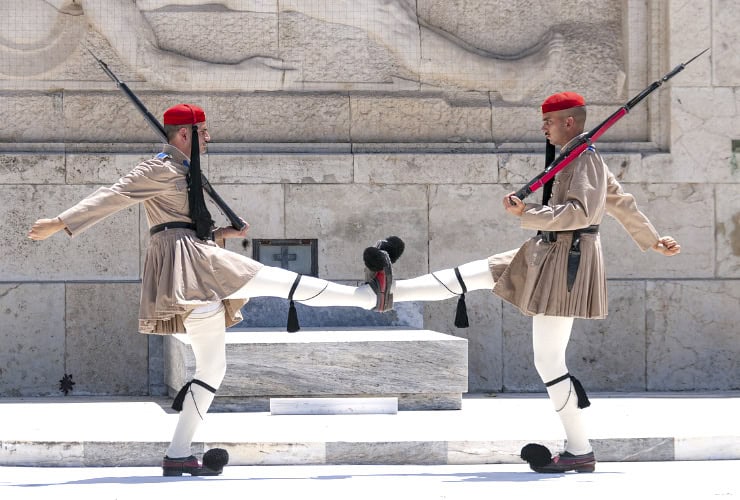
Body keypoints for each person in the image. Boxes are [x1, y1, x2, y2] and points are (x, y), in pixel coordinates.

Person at [27, 103, 397, 476]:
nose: (209, 137)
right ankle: (367, 297)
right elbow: (115, 194)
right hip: (189, 261)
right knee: (273, 278)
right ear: (184, 134)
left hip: (192, 259)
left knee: (213, 368)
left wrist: (221, 234)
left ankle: (178, 454)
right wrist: (61, 222)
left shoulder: (183, 169)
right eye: (202, 131)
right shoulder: (158, 166)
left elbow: (182, 220)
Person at [385, 91, 681, 473]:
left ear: (570, 122)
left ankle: (579, 449)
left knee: (549, 361)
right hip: (546, 252)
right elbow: (620, 201)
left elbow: (581, 213)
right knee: (476, 272)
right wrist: (652, 239)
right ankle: (391, 290)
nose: (543, 127)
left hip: (565, 262)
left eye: (550, 121)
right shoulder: (578, 155)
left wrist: (529, 211)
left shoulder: (584, 158)